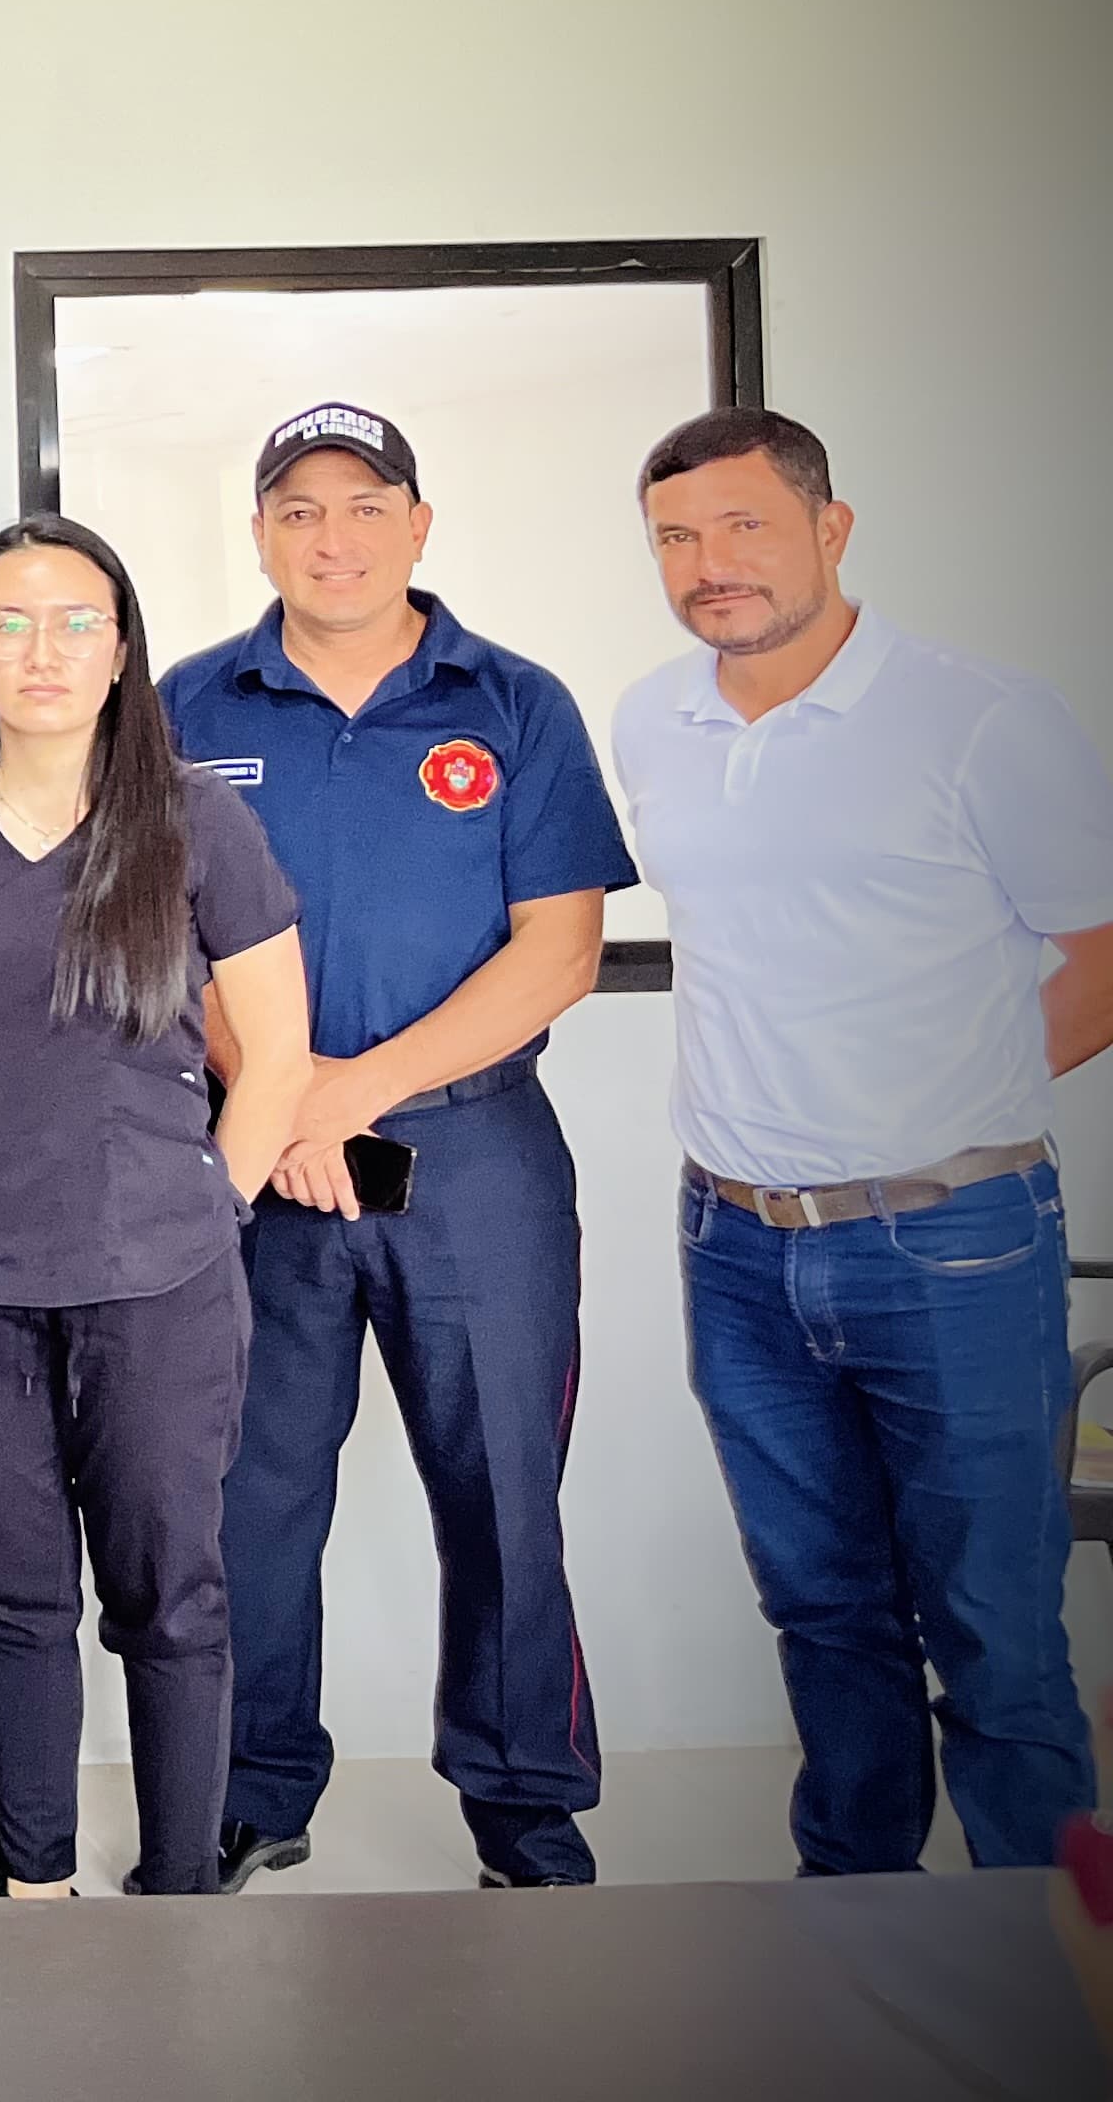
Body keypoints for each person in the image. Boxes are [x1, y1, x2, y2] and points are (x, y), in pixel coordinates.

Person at [617, 406, 1112, 1875]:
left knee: (996, 1634)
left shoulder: (983, 719)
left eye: (745, 525)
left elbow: (1103, 956)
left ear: (831, 529)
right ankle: (856, 1922)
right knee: (824, 1613)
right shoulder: (653, 718)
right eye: (677, 537)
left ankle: (1040, 1965)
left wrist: (938, 1093)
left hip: (951, 1242)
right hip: (736, 1245)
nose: (711, 563)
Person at [160, 406, 637, 1895]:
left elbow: (559, 949)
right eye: (299, 510)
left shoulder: (515, 702)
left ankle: (525, 1809)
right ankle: (249, 1789)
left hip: (473, 1158)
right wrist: (280, 1098)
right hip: (258, 1162)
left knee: (505, 1498)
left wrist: (343, 1095)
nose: (334, 537)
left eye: (366, 506)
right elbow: (157, 939)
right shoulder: (187, 704)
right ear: (259, 535)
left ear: (418, 524)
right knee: (248, 1500)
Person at [0, 515, 310, 1898]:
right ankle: (38, 1887)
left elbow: (278, 1055)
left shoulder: (197, 820)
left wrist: (207, 1212)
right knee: (12, 1591)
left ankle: (176, 1894)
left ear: (120, 651)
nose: (41, 649)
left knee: (170, 1595)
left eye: (74, 622)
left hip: (158, 1277)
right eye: (9, 621)